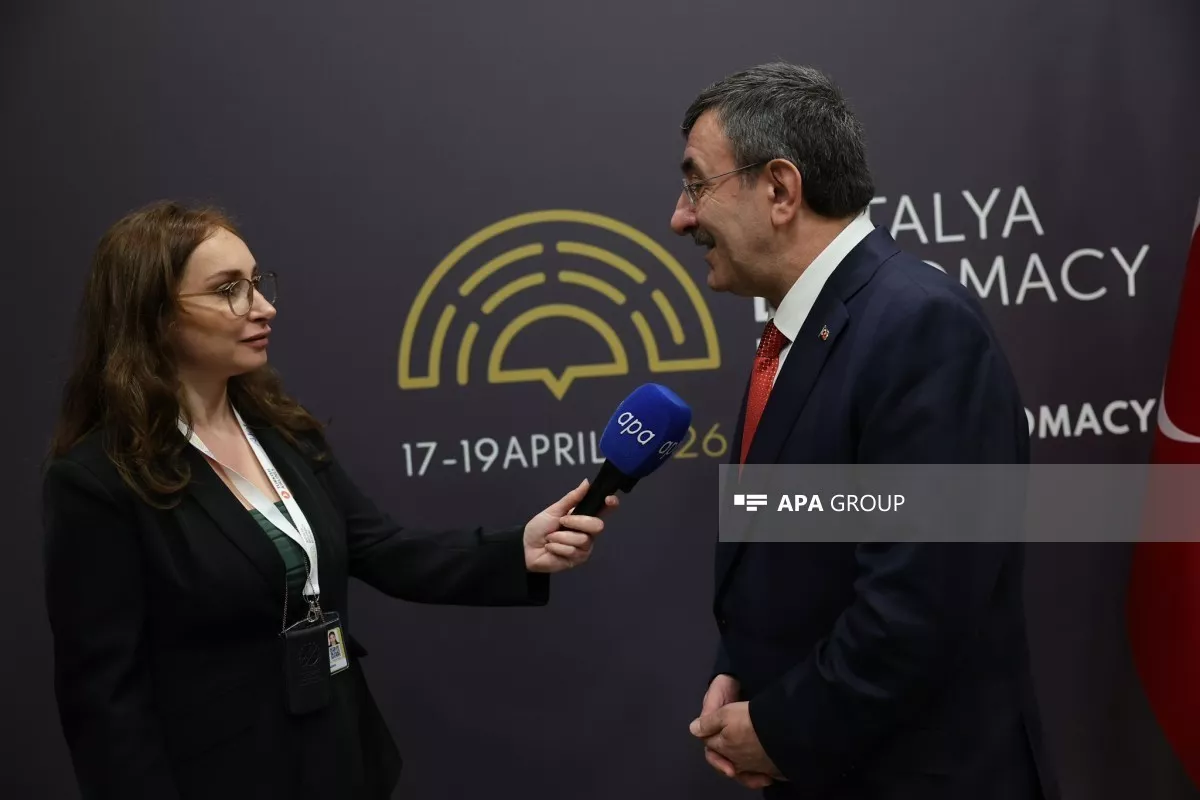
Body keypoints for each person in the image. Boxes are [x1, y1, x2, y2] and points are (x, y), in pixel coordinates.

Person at [41, 200, 618, 799]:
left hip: (340, 759)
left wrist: (518, 550)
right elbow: (105, 700)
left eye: (257, 282)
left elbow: (383, 548)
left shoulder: (282, 430)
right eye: (229, 290)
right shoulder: (98, 481)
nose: (263, 307)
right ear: (155, 315)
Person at [670, 63, 1057, 799]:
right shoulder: (799, 332)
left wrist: (780, 728)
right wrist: (740, 666)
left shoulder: (919, 327)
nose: (681, 219)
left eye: (697, 185)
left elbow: (919, 603)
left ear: (780, 190)